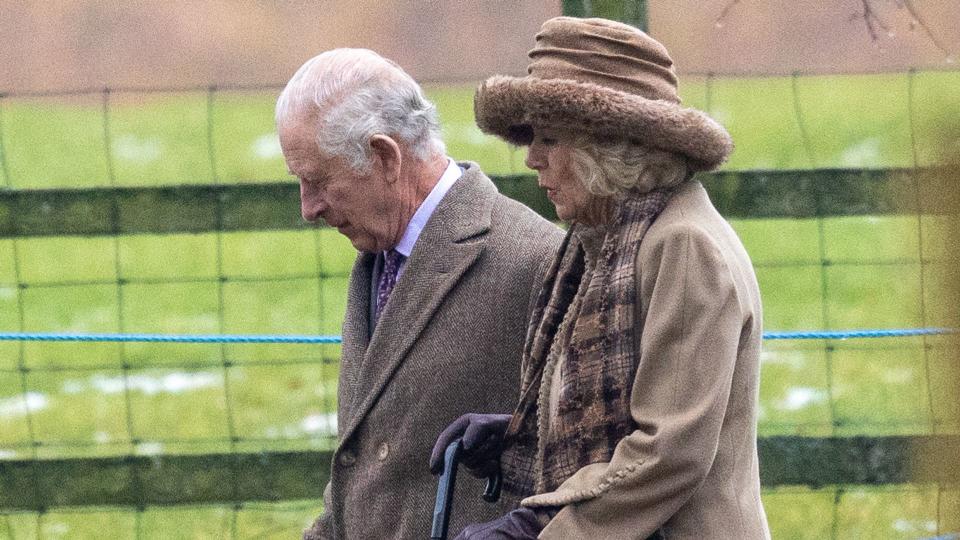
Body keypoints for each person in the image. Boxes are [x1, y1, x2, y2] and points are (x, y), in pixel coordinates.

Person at [431, 17, 770, 539]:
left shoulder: (683, 247)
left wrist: (529, 529)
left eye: (549, 138)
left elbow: (668, 452)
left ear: (608, 145)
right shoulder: (605, 241)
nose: (531, 158)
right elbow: (614, 412)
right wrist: (519, 434)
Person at [275, 48, 563, 540]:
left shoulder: (539, 262)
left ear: (385, 156)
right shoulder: (378, 258)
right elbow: (363, 469)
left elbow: (589, 462)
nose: (308, 208)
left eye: (318, 181)